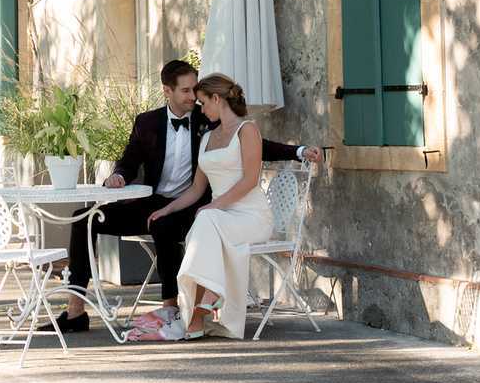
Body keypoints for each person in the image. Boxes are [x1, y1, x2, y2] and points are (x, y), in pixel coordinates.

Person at [55, 59, 321, 333]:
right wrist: (119, 176)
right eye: (186, 90)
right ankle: (75, 310)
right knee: (83, 219)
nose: (193, 96)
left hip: (196, 206)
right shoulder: (146, 122)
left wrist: (298, 151)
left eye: (196, 89)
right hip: (156, 202)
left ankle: (172, 307)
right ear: (167, 91)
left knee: (163, 225)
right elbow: (129, 161)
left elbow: (253, 144)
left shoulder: (208, 117)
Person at [141, 73, 274, 341]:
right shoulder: (207, 137)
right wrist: (168, 210)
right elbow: (196, 189)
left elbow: (250, 180)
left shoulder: (247, 130)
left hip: (251, 217)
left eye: (203, 102)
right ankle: (205, 302)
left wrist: (214, 206)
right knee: (207, 221)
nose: (200, 108)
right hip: (219, 220)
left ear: (217, 98)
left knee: (206, 220)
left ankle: (201, 308)